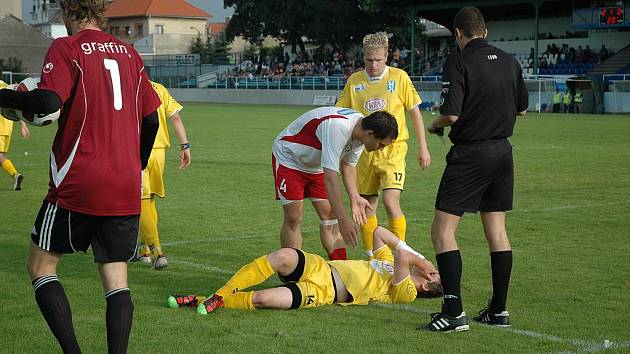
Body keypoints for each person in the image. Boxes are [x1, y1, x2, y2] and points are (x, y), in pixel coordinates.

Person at [0, 0, 161, 352]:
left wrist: (6, 96)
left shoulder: (67, 47)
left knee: (41, 267)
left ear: (69, 10)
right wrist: (137, 165)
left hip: (80, 178)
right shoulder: (130, 54)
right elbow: (151, 120)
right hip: (123, 183)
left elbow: (46, 104)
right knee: (116, 280)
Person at [424, 6, 528, 332]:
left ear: (458, 34)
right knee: (497, 232)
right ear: (485, 31)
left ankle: (453, 313)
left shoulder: (459, 60)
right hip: (503, 152)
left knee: (442, 232)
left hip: (471, 154)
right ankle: (498, 311)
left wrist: (434, 126)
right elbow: (522, 110)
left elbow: (451, 113)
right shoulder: (510, 61)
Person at [168, 226, 442, 313]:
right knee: (283, 255)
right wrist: (414, 256)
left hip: (324, 292)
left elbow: (404, 258)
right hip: (321, 268)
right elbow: (379, 232)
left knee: (265, 299)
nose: (433, 269)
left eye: (435, 274)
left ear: (427, 284)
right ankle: (219, 295)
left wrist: (420, 261)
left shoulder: (407, 291)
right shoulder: (391, 264)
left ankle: (203, 300)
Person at [336, 32, 430, 261]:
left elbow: (414, 113)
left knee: (390, 202)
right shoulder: (355, 81)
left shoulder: (399, 78)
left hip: (393, 151)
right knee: (367, 206)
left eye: (379, 59)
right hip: (363, 153)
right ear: (363, 57)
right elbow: (341, 114)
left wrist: (423, 148)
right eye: (369, 60)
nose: (374, 65)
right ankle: (373, 258)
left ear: (387, 55)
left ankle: (399, 255)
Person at [272, 107, 398, 261]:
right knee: (294, 216)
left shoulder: (361, 133)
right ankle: (291, 270)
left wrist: (354, 197)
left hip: (316, 164)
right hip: (290, 159)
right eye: (381, 145)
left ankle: (341, 269)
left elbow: (348, 165)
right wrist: (343, 219)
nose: (380, 149)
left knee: (330, 214)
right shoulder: (338, 127)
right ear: (370, 134)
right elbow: (330, 178)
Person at [136, 81, 191, 270]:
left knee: (141, 200)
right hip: (160, 153)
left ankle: (157, 251)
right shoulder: (159, 88)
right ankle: (144, 250)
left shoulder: (128, 85)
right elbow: (175, 118)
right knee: (149, 200)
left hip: (138, 151)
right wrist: (185, 146)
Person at [0, 80, 30, 190]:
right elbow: (17, 107)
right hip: (8, 128)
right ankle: (16, 175)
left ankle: (15, 174)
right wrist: (23, 125)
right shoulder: (8, 87)